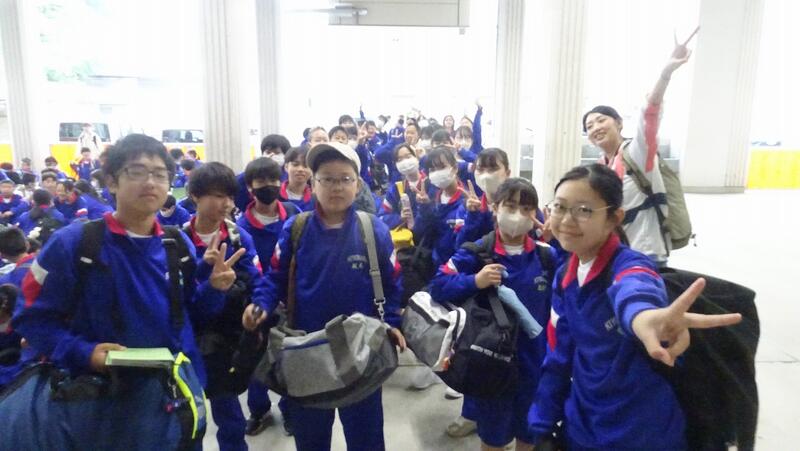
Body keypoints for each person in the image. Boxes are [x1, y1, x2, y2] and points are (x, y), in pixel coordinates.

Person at [12, 134, 241, 444]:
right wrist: (83, 352)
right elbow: (30, 318)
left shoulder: (177, 246)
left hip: (175, 398)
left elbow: (189, 315)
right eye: (137, 171)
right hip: (102, 404)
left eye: (160, 174)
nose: (150, 182)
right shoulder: (75, 245)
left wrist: (214, 289)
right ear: (111, 181)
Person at [528, 164, 741, 449]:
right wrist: (542, 425)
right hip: (582, 426)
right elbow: (558, 358)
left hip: (642, 432)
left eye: (584, 210)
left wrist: (643, 318)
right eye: (559, 207)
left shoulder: (630, 265)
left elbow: (635, 288)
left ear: (614, 218)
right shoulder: (565, 278)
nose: (566, 219)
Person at [242, 142, 405, 451]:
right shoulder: (296, 228)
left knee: (366, 438)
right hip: (307, 351)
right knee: (311, 439)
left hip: (361, 350)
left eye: (345, 179)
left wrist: (393, 321)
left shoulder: (373, 230)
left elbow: (393, 282)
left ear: (358, 185)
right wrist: (260, 305)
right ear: (313, 183)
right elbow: (275, 277)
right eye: (327, 179)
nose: (336, 186)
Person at [430, 178, 554, 451]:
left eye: (526, 208)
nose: (518, 214)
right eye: (510, 206)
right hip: (491, 365)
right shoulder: (477, 251)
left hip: (535, 366)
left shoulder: (547, 256)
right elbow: (437, 285)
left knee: (529, 435)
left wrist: (559, 240)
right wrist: (475, 280)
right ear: (495, 208)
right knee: (493, 438)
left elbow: (576, 282)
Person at [583, 31, 697, 265]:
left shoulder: (637, 153)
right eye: (589, 126)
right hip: (614, 255)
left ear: (619, 123)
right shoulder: (600, 168)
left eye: (601, 120)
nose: (596, 127)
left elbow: (650, 113)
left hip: (646, 253)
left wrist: (666, 73)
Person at [183, 161, 268, 451]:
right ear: (195, 196)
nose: (227, 204)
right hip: (186, 337)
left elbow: (257, 279)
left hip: (222, 340)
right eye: (218, 196)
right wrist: (201, 269)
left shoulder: (238, 237)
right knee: (186, 416)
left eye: (230, 197)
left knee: (229, 414)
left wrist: (257, 307)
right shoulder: (176, 240)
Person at [235, 156, 299, 435]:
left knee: (292, 359)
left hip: (292, 301)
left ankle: (290, 409)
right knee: (258, 360)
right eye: (261, 181)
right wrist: (261, 300)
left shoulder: (294, 216)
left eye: (273, 179)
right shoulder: (240, 228)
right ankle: (259, 410)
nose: (268, 185)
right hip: (257, 301)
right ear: (250, 187)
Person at [280, 147, 314, 212]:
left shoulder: (316, 200)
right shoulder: (275, 195)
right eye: (295, 165)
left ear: (312, 170)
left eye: (305, 166)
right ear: (286, 167)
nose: (300, 169)